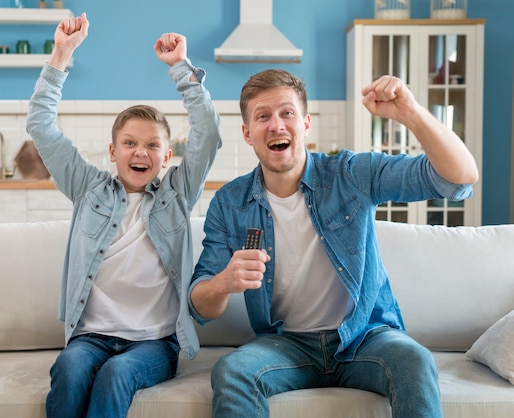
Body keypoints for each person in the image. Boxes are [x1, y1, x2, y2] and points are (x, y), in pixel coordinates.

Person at [189, 69, 478, 418]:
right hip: (286, 344)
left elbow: (458, 180)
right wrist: (223, 283)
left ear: (306, 124)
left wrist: (411, 113)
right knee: (232, 371)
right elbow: (200, 308)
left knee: (413, 359)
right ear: (248, 134)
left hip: (364, 338)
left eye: (287, 113)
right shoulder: (229, 202)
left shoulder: (351, 174)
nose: (277, 125)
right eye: (263, 116)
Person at [26, 13, 222, 418]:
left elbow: (208, 133)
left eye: (152, 145)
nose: (140, 152)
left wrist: (181, 69)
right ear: (113, 152)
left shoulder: (177, 193)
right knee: (70, 364)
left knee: (117, 374)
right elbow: (41, 126)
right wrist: (62, 54)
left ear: (167, 157)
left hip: (154, 343)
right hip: (91, 337)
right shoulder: (87, 187)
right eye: (129, 143)